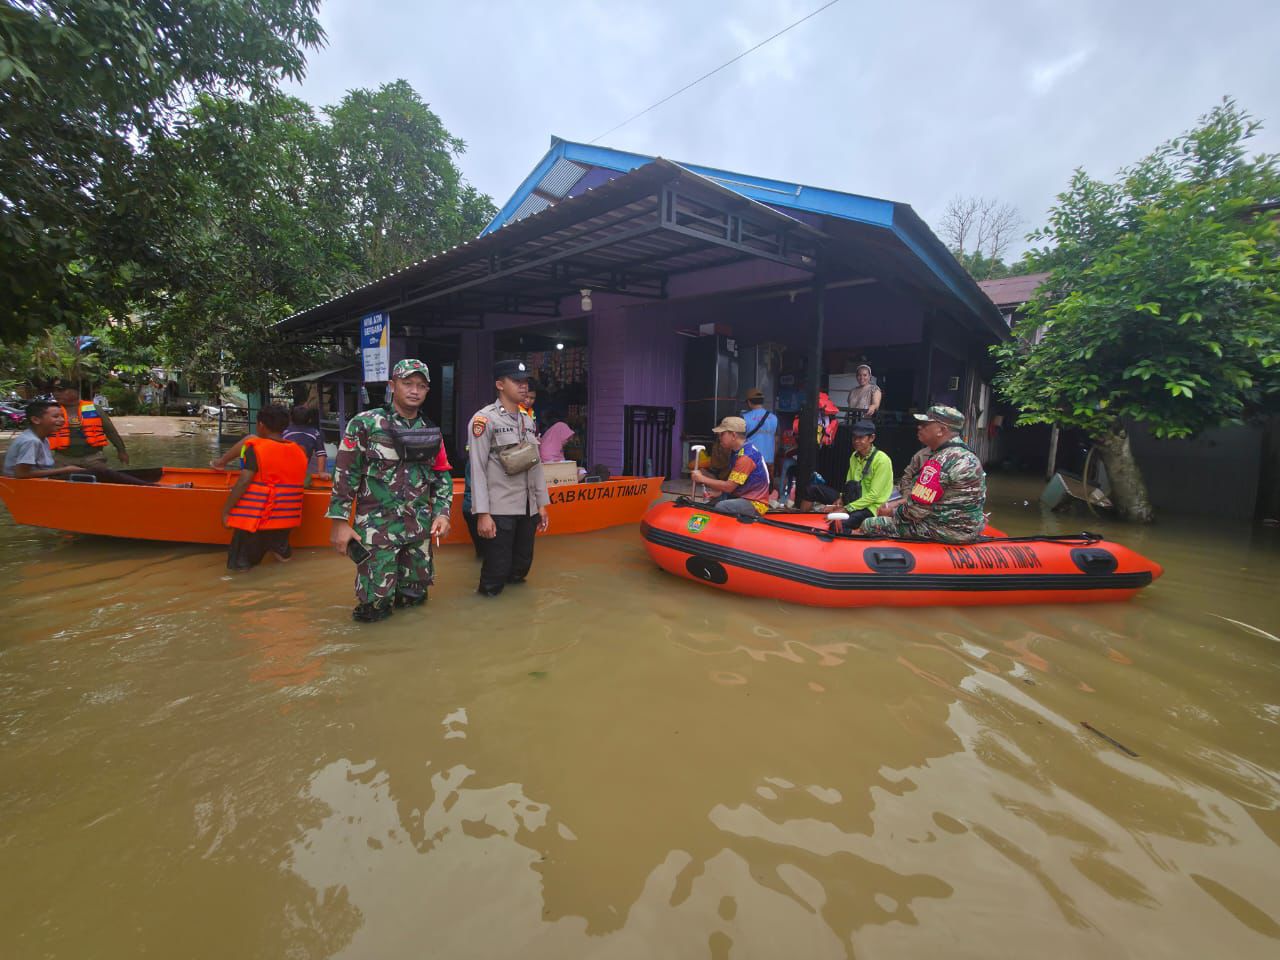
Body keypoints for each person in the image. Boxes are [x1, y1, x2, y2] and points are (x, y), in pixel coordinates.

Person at [327, 359, 453, 622]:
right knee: (375, 605)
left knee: (415, 603)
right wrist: (339, 522)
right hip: (377, 532)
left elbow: (441, 477)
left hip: (418, 532)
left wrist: (442, 514)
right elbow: (345, 475)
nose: (414, 390)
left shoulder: (431, 432)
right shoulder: (365, 424)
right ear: (392, 385)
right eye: (407, 384)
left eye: (421, 385)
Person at [468, 359, 550, 597]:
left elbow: (534, 464)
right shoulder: (484, 420)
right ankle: (488, 619)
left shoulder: (527, 420)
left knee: (521, 566)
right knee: (496, 571)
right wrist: (483, 514)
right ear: (500, 384)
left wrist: (541, 505)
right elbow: (478, 468)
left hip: (527, 508)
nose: (523, 387)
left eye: (525, 382)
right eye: (517, 381)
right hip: (500, 508)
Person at [858, 404, 986, 543]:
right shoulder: (971, 456)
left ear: (941, 430)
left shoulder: (939, 461)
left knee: (870, 524)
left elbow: (915, 511)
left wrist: (891, 512)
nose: (919, 427)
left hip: (943, 531)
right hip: (970, 529)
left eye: (925, 424)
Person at [222, 405, 308, 571]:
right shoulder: (299, 451)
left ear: (261, 425)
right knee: (283, 559)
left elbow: (244, 481)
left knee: (240, 569)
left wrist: (226, 511)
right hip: (284, 519)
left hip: (255, 520)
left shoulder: (256, 448)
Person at [813, 420, 894, 530]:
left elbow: (873, 496)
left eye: (861, 438)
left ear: (872, 438)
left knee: (837, 525)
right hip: (853, 501)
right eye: (854, 437)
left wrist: (847, 508)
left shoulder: (882, 460)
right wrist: (841, 498)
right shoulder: (854, 456)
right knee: (812, 490)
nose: (856, 441)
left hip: (870, 507)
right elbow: (849, 483)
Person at [690, 416, 771, 517]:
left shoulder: (746, 457)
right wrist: (720, 493)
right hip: (742, 496)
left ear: (733, 435)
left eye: (722, 434)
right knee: (712, 502)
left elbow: (729, 487)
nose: (719, 438)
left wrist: (702, 479)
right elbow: (734, 484)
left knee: (722, 506)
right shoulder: (737, 451)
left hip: (754, 503)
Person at [49, 378, 130, 470]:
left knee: (103, 475)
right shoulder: (51, 411)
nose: (56, 393)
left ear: (75, 391)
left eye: (60, 390)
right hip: (63, 459)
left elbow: (110, 431)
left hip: (93, 458)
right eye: (54, 390)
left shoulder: (95, 409)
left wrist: (121, 451)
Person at [3, 401, 93, 479]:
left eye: (62, 416)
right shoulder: (31, 441)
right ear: (36, 420)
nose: (62, 420)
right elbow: (21, 474)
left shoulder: (43, 438)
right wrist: (65, 470)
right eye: (56, 416)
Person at [282, 405, 329, 480]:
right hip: (302, 470)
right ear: (310, 420)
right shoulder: (315, 433)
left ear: (291, 418)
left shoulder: (284, 432)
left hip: (284, 470)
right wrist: (321, 472)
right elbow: (321, 454)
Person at [741, 388, 778, 467]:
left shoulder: (744, 418)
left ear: (749, 402)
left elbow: (740, 440)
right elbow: (776, 441)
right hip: (768, 461)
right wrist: (772, 459)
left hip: (750, 460)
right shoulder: (774, 418)